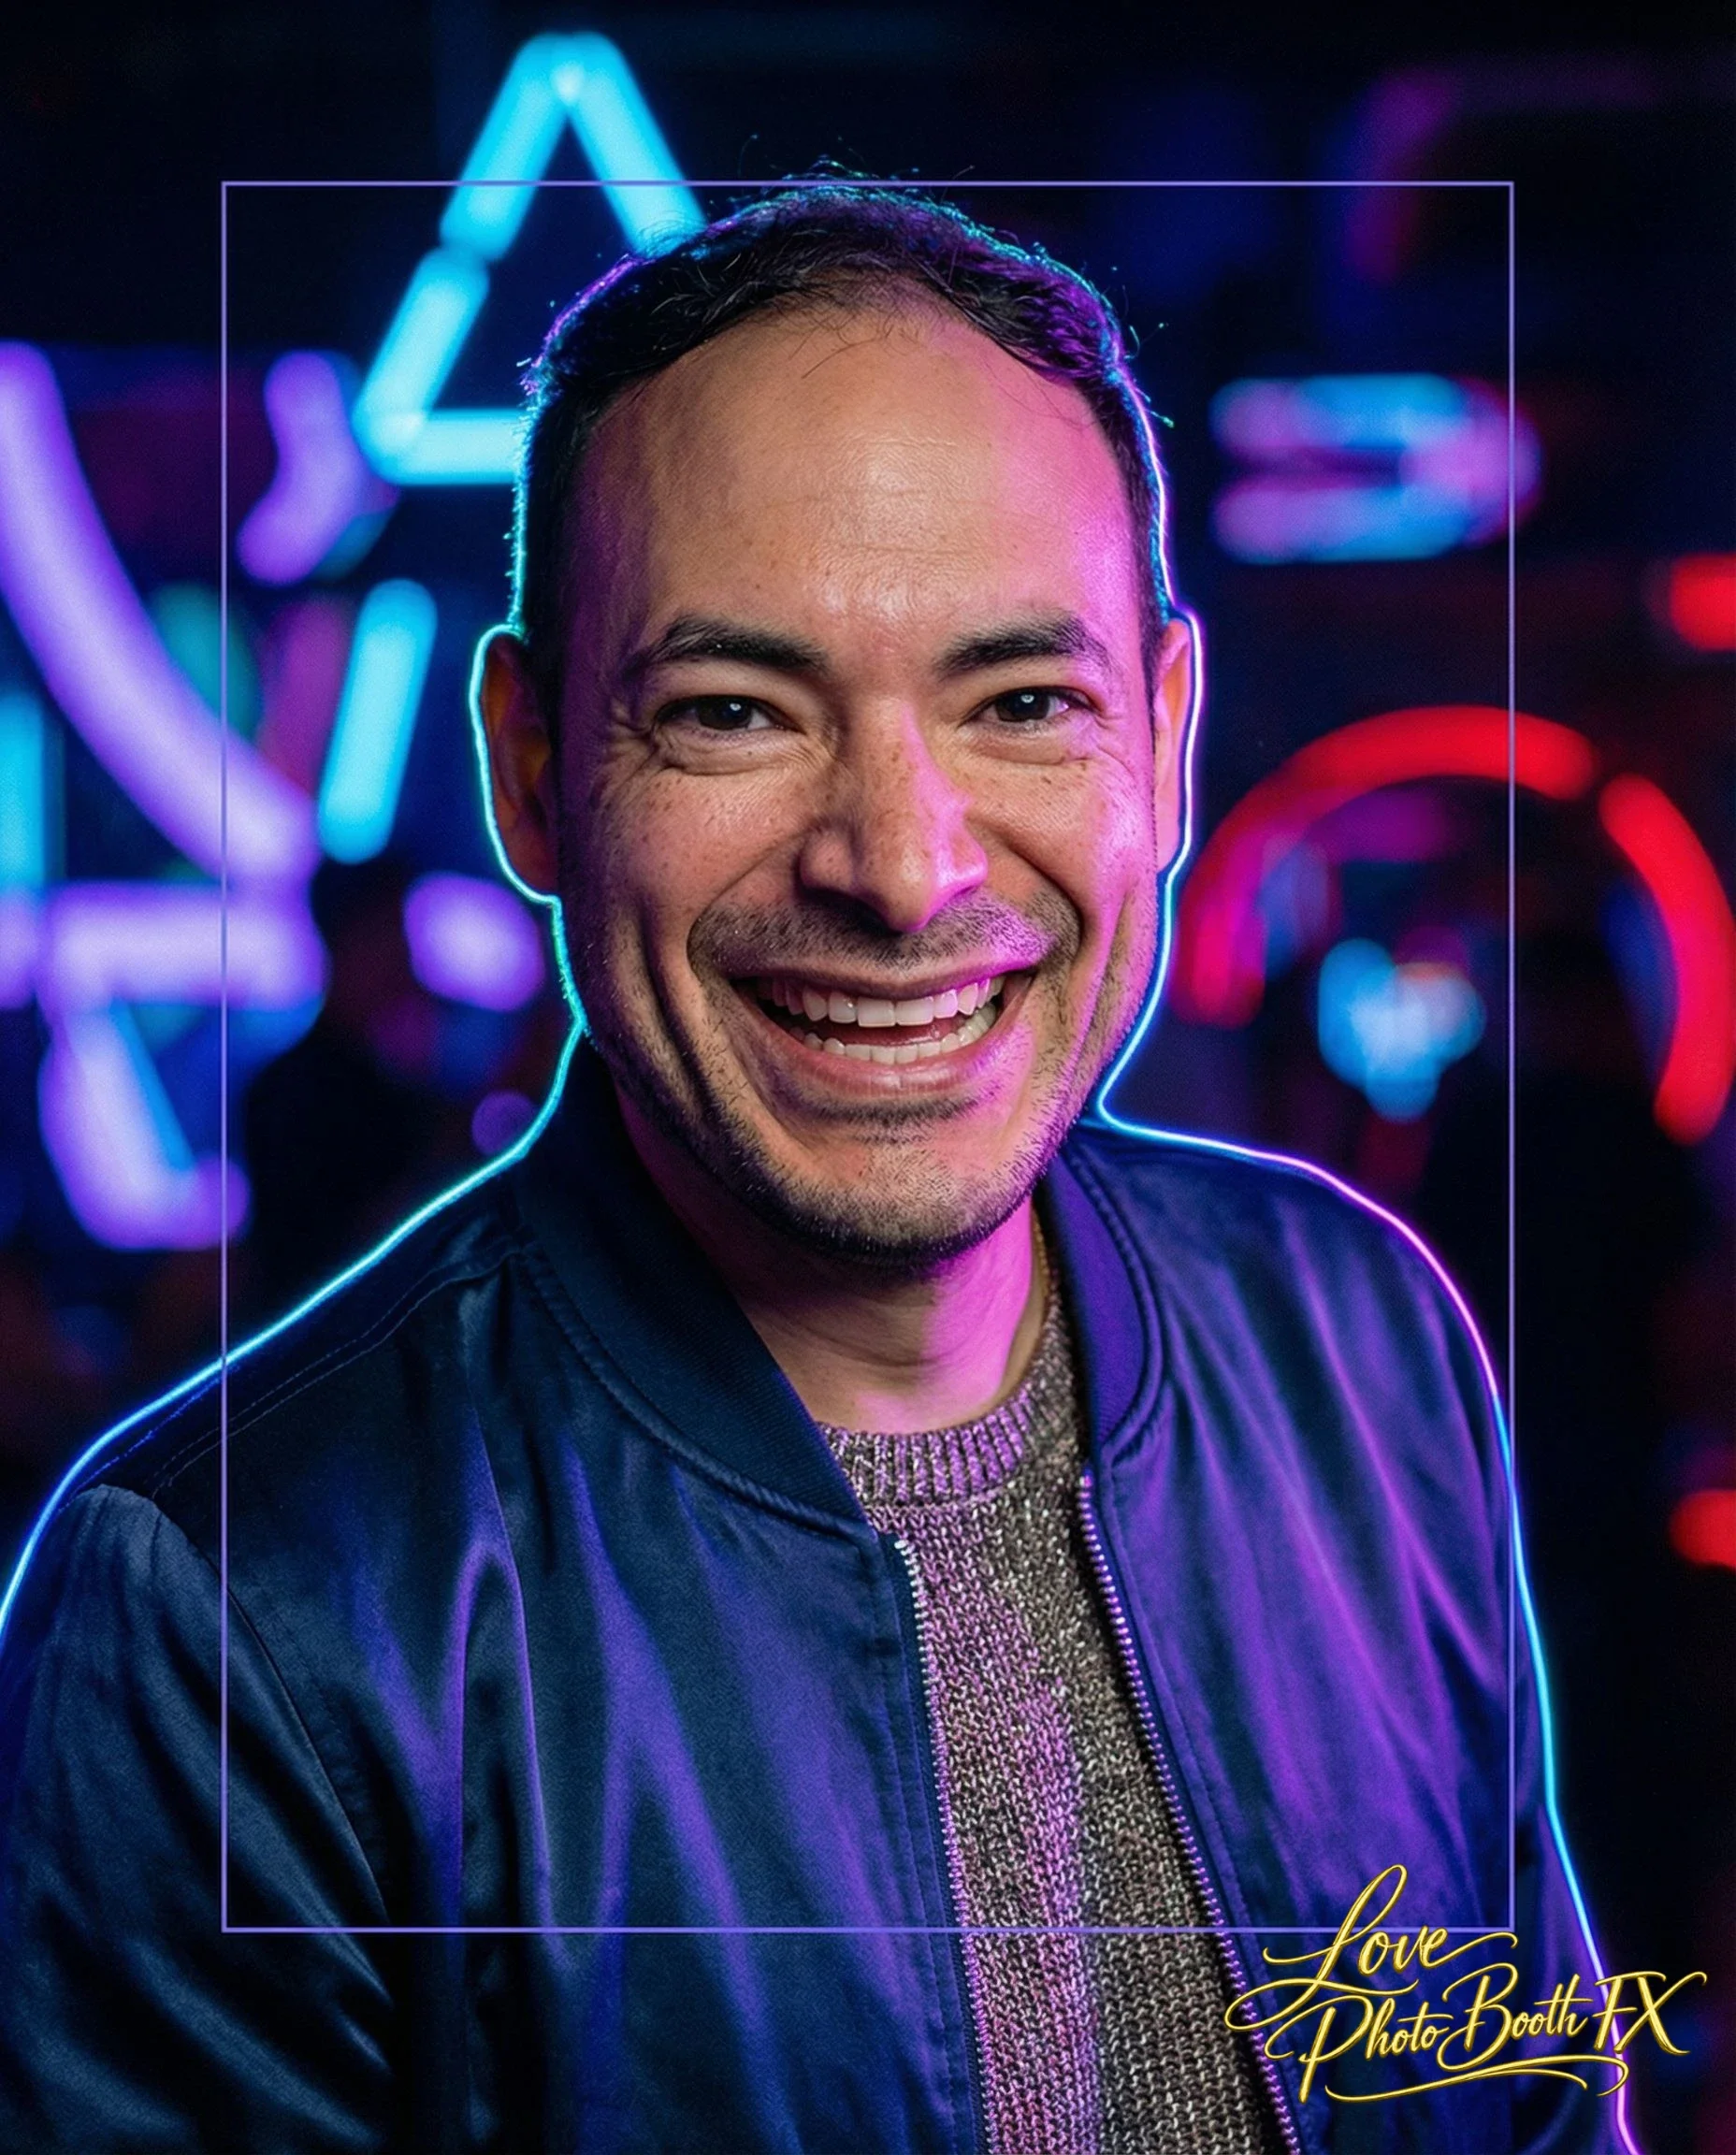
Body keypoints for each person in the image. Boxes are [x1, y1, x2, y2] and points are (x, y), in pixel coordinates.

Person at [0, 189, 1619, 2154]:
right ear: (530, 773)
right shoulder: (227, 1609)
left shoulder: (1360, 1342)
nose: (904, 868)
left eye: (1023, 703)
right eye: (733, 713)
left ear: (1168, 743)